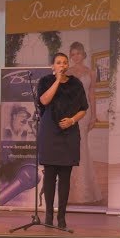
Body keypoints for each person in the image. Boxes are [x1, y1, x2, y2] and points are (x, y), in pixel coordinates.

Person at [35, 52, 89, 229]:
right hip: (50, 133)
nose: (62, 65)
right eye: (58, 62)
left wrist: (72, 120)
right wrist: (57, 81)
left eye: (65, 62)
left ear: (68, 66)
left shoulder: (76, 84)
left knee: (65, 178)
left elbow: (84, 108)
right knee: (49, 176)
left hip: (69, 133)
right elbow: (44, 101)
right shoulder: (45, 81)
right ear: (53, 66)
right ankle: (49, 215)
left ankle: (62, 217)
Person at [65, 41, 103, 205]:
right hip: (69, 113)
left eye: (78, 53)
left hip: (84, 113)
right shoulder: (67, 72)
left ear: (83, 54)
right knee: (70, 147)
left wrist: (94, 116)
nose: (75, 57)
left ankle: (84, 190)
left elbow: (92, 95)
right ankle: (69, 190)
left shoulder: (91, 73)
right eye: (72, 54)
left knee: (82, 147)